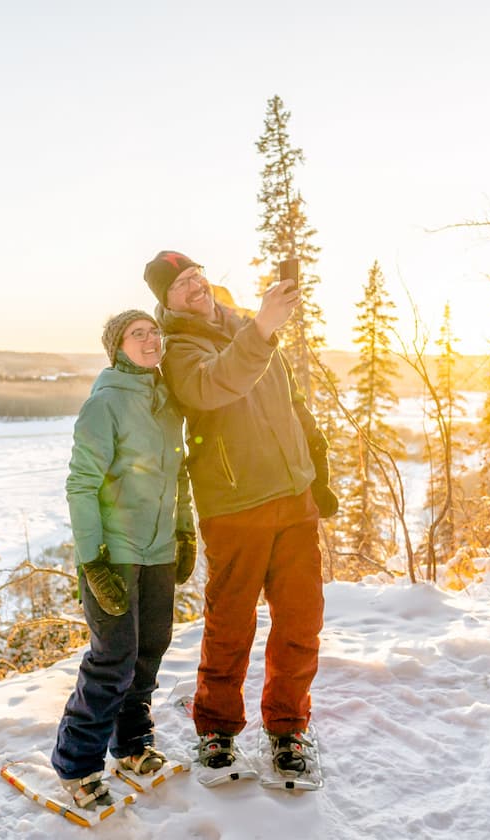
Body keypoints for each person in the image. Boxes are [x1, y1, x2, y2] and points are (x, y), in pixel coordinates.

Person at [142, 250, 337, 783]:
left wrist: (315, 468)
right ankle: (217, 730)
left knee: (301, 620)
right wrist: (265, 327)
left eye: (196, 276)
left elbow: (291, 401)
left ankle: (288, 727)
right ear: (166, 301)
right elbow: (216, 384)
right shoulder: (178, 350)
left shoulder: (244, 325)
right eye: (180, 285)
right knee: (231, 624)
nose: (194, 287)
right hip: (234, 505)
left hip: (292, 499)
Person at [50, 309, 197, 809]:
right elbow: (81, 484)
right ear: (117, 346)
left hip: (157, 549)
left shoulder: (166, 401)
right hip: (114, 552)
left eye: (153, 331)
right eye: (138, 334)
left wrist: (185, 531)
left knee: (150, 648)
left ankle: (132, 745)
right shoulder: (105, 403)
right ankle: (77, 764)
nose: (150, 338)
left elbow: (178, 475)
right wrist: (94, 562)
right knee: (112, 659)